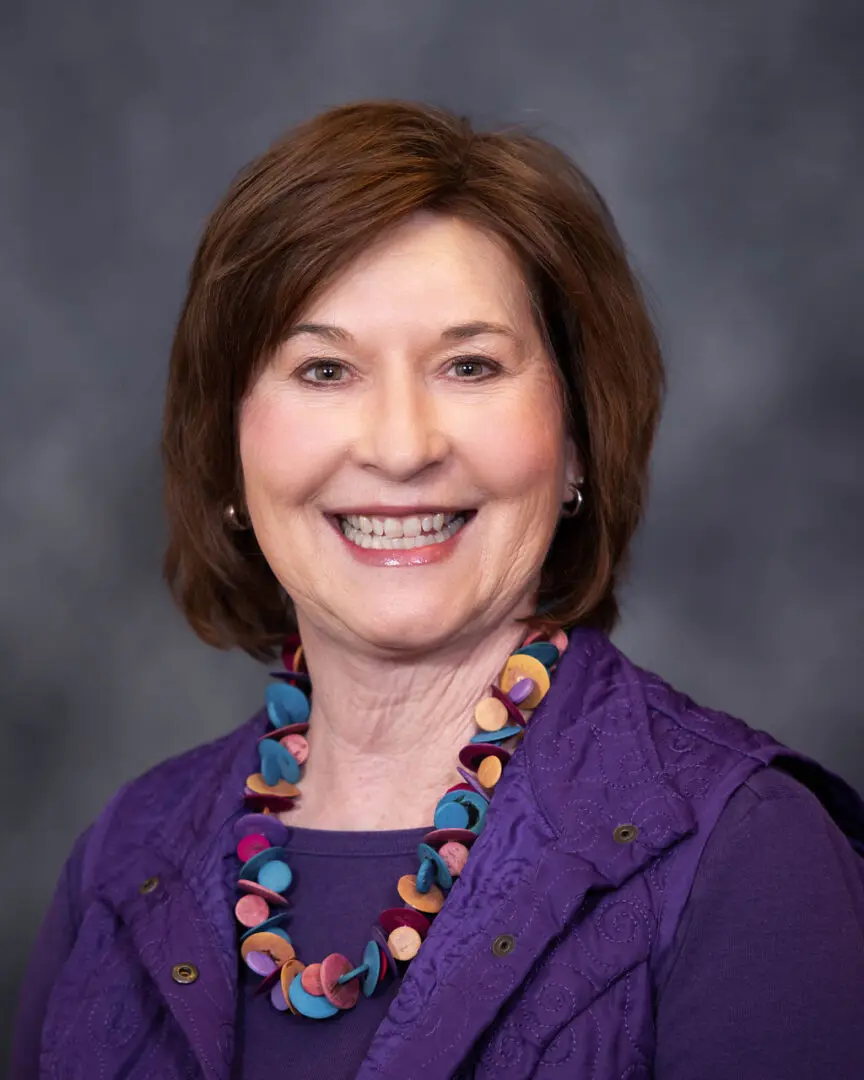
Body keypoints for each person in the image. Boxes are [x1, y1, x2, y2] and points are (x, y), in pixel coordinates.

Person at [10, 99, 864, 1080]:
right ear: (230, 446)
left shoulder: (748, 858)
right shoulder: (122, 868)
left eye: (470, 365)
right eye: (324, 368)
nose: (404, 446)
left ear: (575, 436)